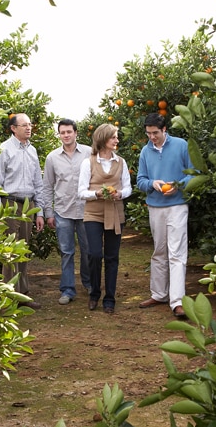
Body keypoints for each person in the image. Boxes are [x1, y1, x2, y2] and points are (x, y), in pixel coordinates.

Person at [136, 113, 194, 318]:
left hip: (177, 205)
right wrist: (153, 184)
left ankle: (177, 302)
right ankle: (159, 294)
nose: (152, 137)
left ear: (164, 130)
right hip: (155, 206)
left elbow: (194, 173)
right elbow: (140, 180)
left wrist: (178, 186)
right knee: (159, 251)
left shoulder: (181, 145)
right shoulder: (145, 151)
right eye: (148, 133)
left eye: (155, 133)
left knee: (177, 253)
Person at [0, 113, 45, 309]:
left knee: (23, 250)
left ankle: (21, 295)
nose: (28, 128)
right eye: (24, 125)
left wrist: (39, 212)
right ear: (13, 128)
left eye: (30, 125)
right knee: (10, 253)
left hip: (28, 205)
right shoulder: (3, 150)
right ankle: (7, 298)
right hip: (9, 205)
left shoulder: (32, 151)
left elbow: (38, 183)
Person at [78, 123, 132, 314]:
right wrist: (97, 194)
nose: (117, 140)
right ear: (103, 139)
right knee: (94, 254)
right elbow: (81, 191)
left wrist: (120, 194)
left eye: (116, 137)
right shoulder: (89, 162)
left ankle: (109, 298)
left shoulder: (121, 162)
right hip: (93, 213)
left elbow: (128, 188)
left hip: (115, 213)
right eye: (114, 137)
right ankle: (94, 293)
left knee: (112, 257)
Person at [42, 119, 92, 305]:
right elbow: (47, 186)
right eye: (62, 132)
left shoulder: (88, 152)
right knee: (66, 252)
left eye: (69, 131)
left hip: (87, 211)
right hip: (63, 211)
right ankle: (68, 290)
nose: (66, 135)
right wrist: (49, 213)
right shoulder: (52, 158)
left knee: (89, 251)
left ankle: (89, 283)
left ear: (76, 133)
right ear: (59, 135)